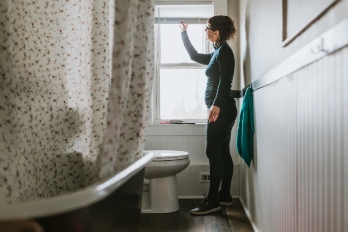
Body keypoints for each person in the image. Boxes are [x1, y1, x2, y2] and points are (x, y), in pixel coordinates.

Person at [179, 15, 238, 215]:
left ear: (217, 32)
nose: (206, 31)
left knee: (212, 152)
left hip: (222, 110)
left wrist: (216, 105)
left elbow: (225, 81)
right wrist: (184, 33)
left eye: (207, 28)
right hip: (223, 109)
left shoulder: (225, 53)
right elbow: (194, 56)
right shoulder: (217, 52)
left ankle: (213, 201)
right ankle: (224, 196)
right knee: (221, 152)